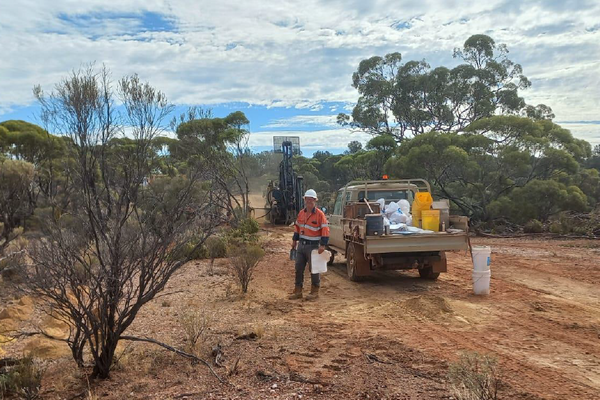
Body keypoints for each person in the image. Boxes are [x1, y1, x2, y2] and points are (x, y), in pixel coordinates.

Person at [289, 189, 330, 300]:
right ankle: (298, 291)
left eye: (311, 200)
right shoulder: (301, 213)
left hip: (314, 247)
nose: (309, 202)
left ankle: (314, 292)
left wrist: (323, 245)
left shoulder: (320, 215)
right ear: (305, 200)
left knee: (314, 269)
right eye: (307, 200)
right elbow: (297, 227)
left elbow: (325, 230)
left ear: (315, 201)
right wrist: (294, 241)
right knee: (298, 268)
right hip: (301, 245)